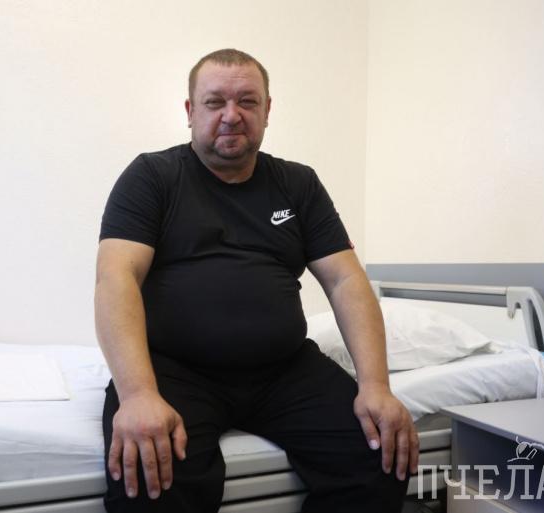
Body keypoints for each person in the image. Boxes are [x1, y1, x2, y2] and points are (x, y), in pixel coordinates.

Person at [95, 48, 418, 513]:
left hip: (284, 370)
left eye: (247, 101)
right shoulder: (152, 176)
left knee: (379, 455)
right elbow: (116, 277)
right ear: (190, 111)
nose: (232, 115)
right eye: (215, 102)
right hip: (174, 370)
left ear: (268, 110)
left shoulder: (298, 184)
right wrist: (138, 394)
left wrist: (376, 386)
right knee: (154, 483)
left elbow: (345, 280)